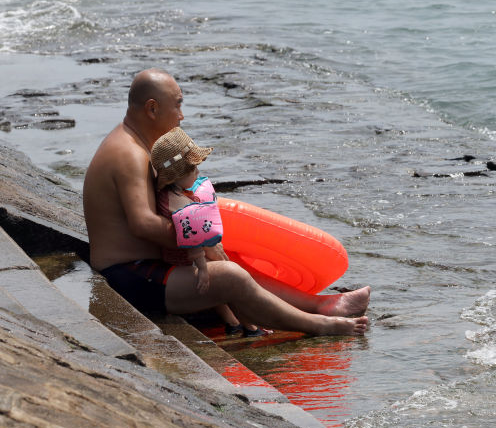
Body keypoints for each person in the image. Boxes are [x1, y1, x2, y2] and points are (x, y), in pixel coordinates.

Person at [82, 68, 369, 336]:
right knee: (230, 276)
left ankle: (321, 304)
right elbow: (143, 223)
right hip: (129, 277)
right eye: (178, 105)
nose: (182, 116)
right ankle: (321, 325)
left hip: (147, 269)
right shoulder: (129, 153)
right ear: (153, 108)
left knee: (231, 258)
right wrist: (202, 242)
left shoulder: (140, 144)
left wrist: (207, 241)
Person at [151, 126, 269, 337]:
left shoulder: (170, 194)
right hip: (187, 261)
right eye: (193, 169)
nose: (198, 172)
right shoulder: (179, 203)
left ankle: (233, 324)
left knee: (219, 293)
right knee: (228, 283)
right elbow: (194, 241)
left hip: (178, 259)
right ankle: (250, 325)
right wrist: (203, 268)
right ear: (176, 175)